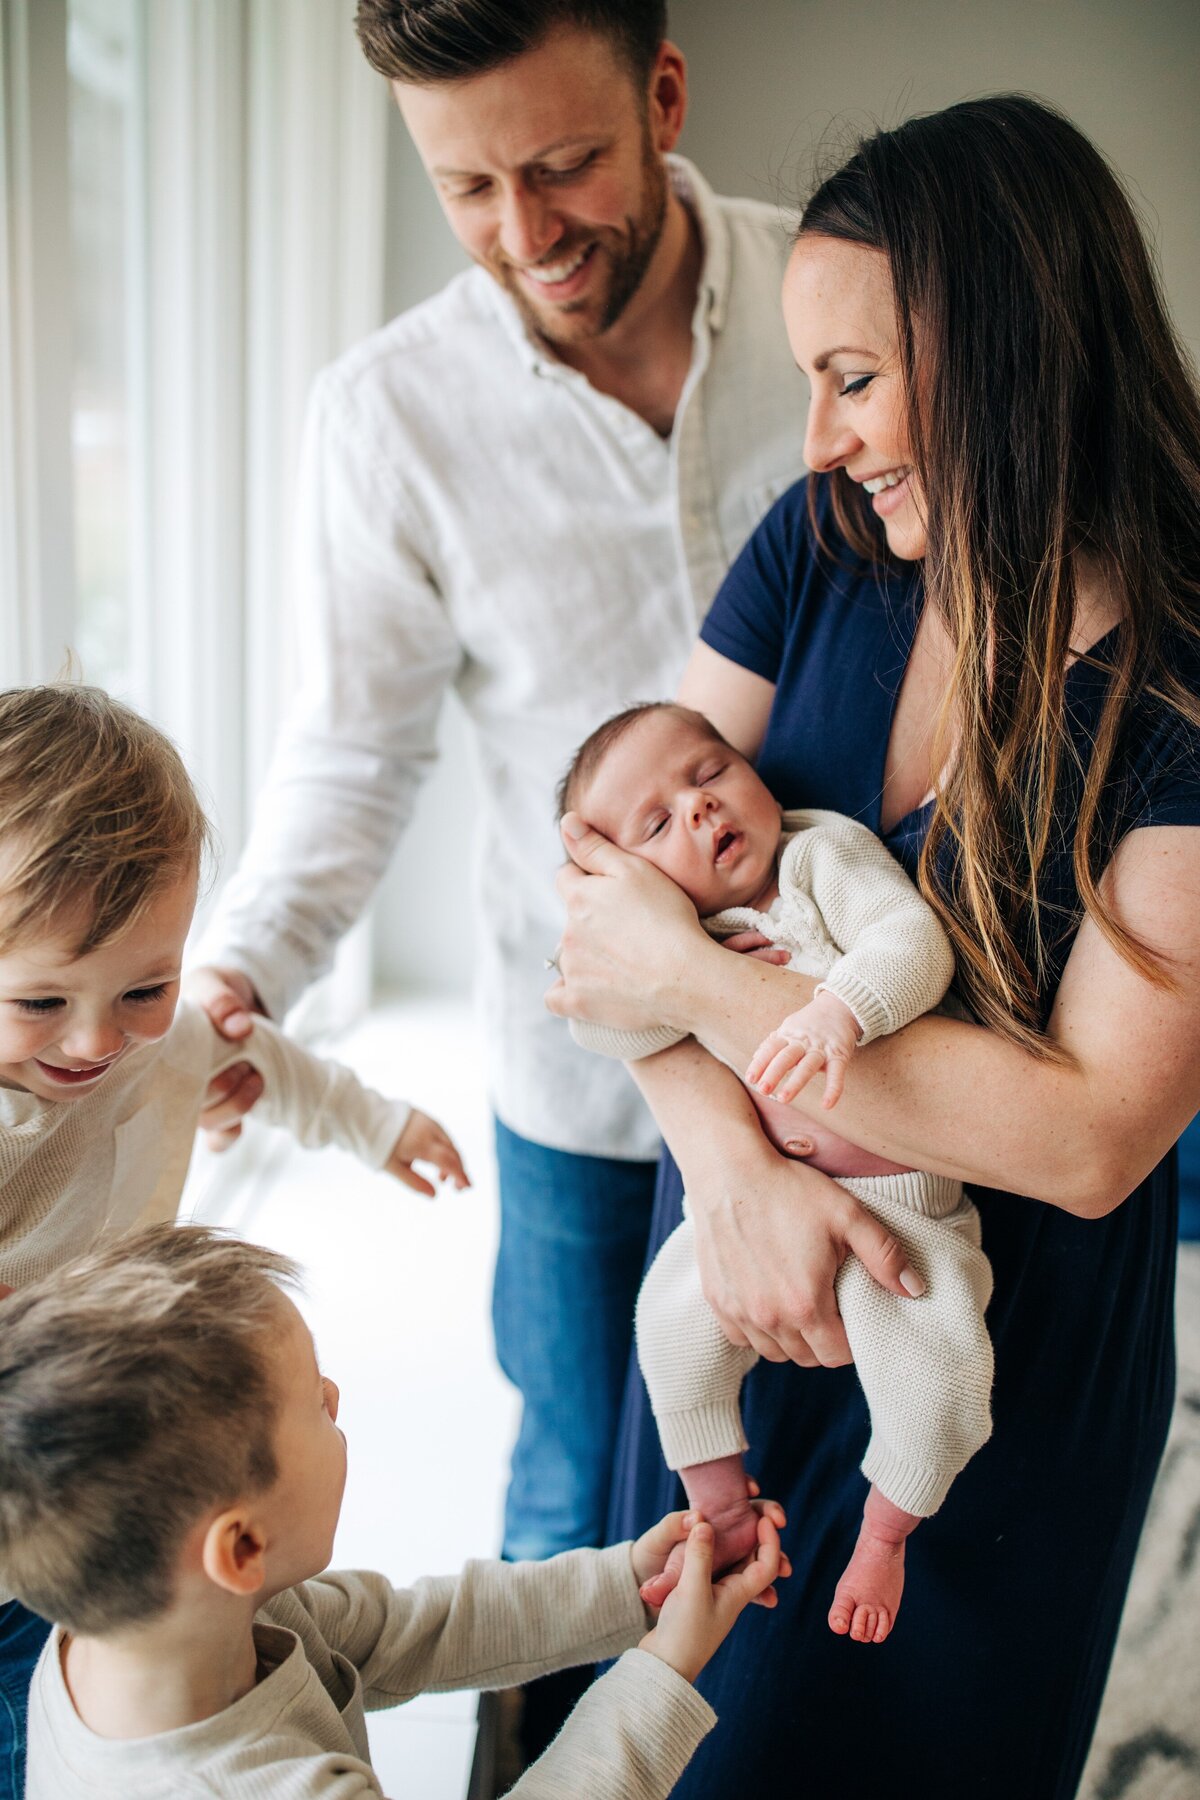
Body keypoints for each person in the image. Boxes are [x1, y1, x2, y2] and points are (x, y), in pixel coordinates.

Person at [547, 95, 1200, 1798]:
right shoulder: (821, 549)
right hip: (744, 1263)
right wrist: (730, 1179)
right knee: (665, 1743)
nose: (821, 438)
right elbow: (608, 892)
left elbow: (1090, 1136)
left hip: (988, 1357)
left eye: (853, 378)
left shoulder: (1181, 694)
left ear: (1005, 356)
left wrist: (700, 986)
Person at [189, 0, 804, 1721]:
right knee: (574, 1491)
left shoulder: (841, 304)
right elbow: (353, 752)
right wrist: (237, 977)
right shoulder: (388, 416)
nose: (526, 233)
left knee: (817, 1478)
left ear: (663, 96)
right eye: (466, 188)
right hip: (585, 1096)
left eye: (565, 165)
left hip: (848, 1044)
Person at [0, 683, 467, 1795]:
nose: (96, 1038)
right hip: (22, 1481)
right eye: (41, 1003)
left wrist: (376, 1125)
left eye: (144, 986)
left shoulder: (152, 1039)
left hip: (112, 1466)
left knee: (94, 1708)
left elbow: (245, 1050)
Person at [1, 1224, 787, 1798]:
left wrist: (630, 1585)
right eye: (313, 1402)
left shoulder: (149, 1628)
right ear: (240, 1549)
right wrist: (661, 1674)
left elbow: (422, 1628)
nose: (334, 1394)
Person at [559, 698, 993, 1644]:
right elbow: (602, 1022)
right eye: (658, 823)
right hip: (743, 1206)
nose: (700, 808)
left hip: (898, 1211)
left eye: (709, 772)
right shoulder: (679, 936)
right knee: (666, 1327)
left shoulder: (818, 857)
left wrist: (839, 1010)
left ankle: (886, 1532)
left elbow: (912, 943)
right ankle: (718, 1503)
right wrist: (659, 956)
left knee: (945, 1375)